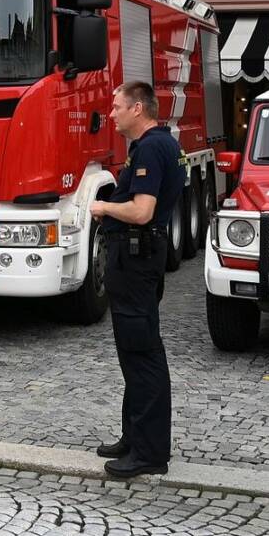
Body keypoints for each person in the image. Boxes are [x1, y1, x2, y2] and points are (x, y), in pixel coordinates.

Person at [89, 81, 184, 480]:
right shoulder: (156, 145)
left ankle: (148, 453)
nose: (110, 114)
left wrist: (103, 206)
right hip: (138, 259)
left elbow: (143, 211)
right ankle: (135, 436)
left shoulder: (149, 147)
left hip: (137, 258)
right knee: (134, 350)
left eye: (116, 107)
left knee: (142, 352)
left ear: (138, 108)